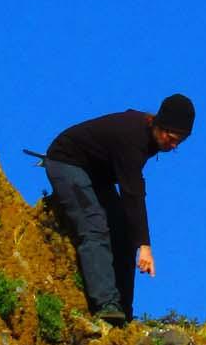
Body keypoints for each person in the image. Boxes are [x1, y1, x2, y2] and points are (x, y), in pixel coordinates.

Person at [40, 93, 195, 324]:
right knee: (94, 225)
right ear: (159, 123)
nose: (172, 145)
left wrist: (138, 241)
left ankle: (123, 312)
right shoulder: (132, 137)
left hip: (97, 174)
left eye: (178, 142)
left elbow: (133, 189)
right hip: (67, 163)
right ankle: (106, 304)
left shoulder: (152, 140)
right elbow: (132, 193)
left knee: (124, 233)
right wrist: (145, 246)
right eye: (170, 137)